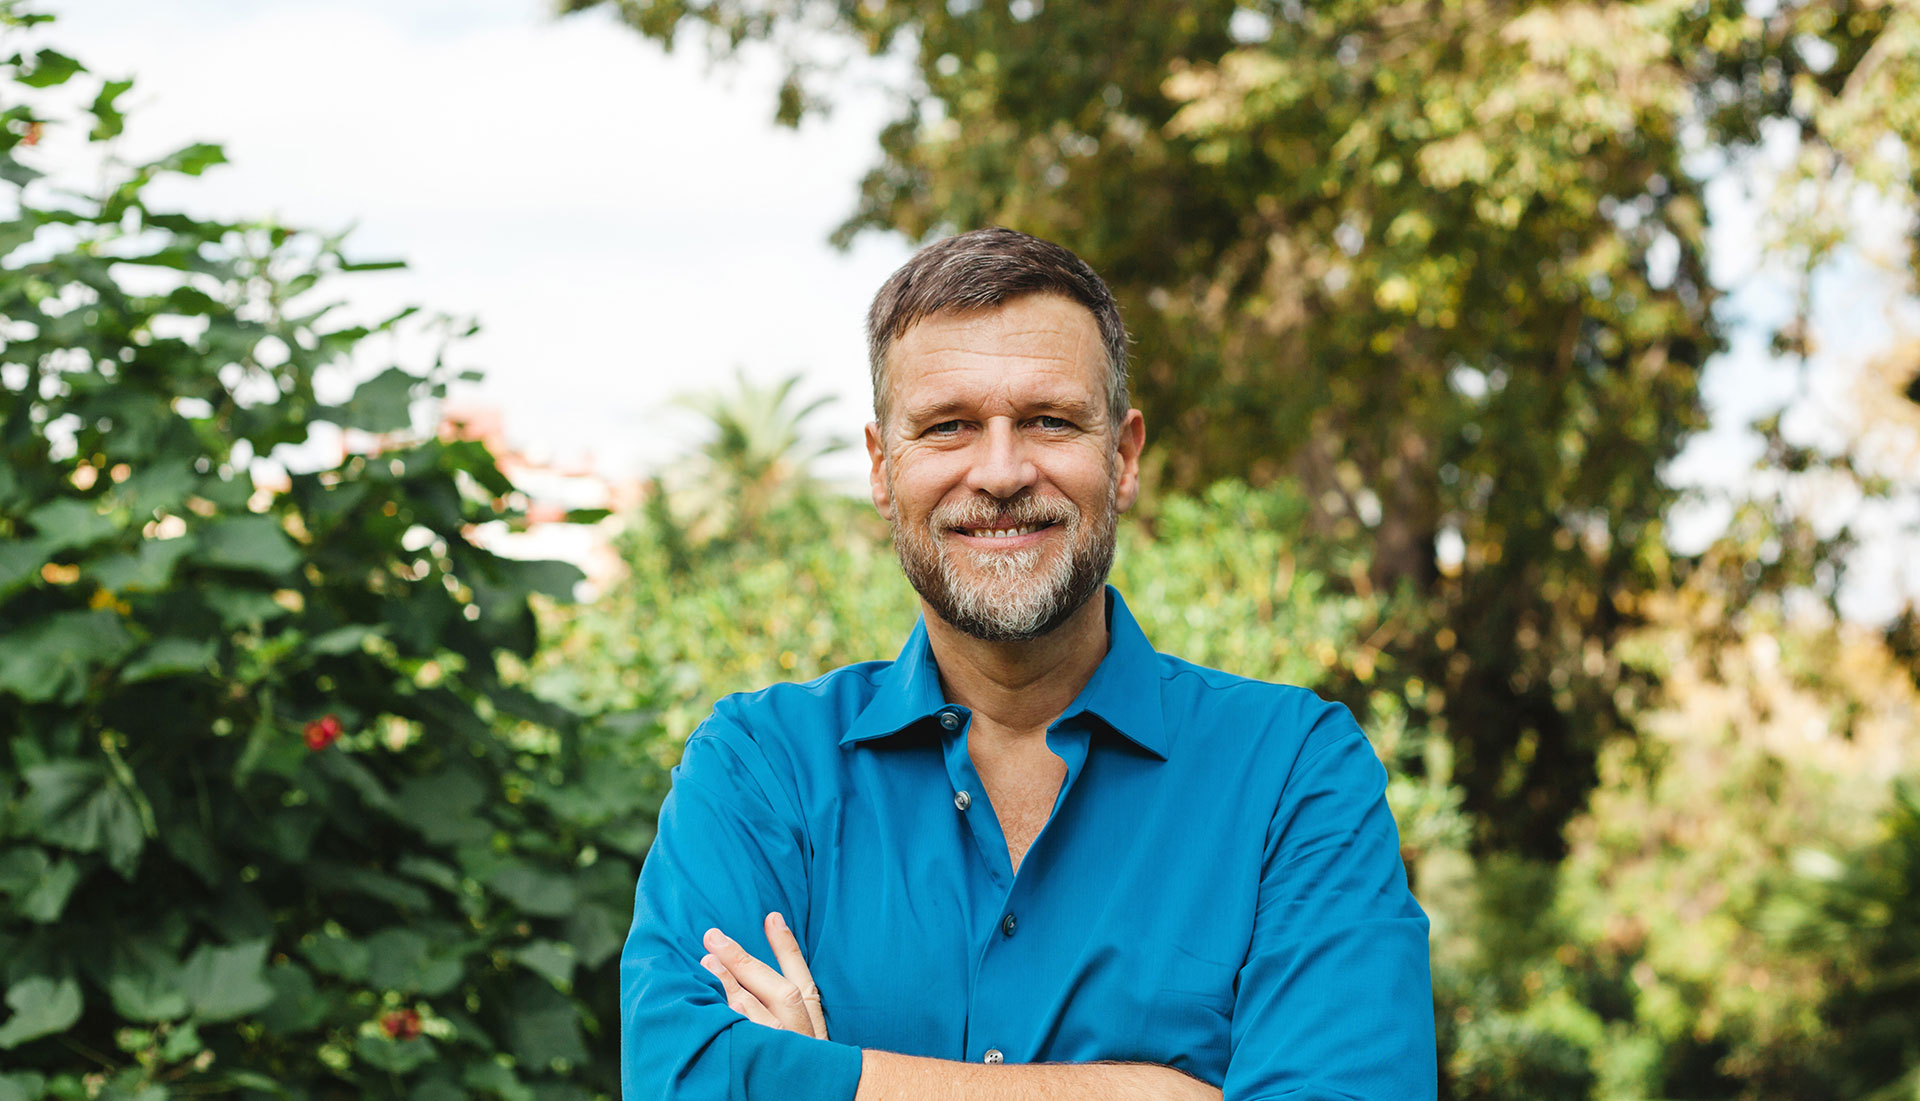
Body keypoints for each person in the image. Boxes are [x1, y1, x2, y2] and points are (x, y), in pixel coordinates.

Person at [619, 227, 1436, 1100]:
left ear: (1121, 457)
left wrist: (817, 1078)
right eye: (948, 427)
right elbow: (688, 1075)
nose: (1002, 471)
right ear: (882, 469)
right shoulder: (760, 767)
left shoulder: (1292, 770)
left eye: (1049, 420)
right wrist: (1147, 1093)